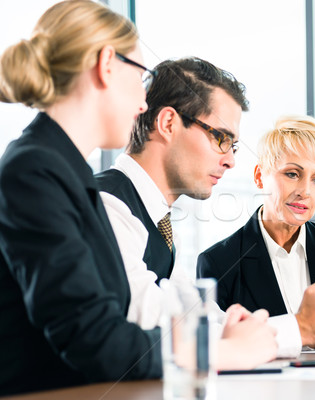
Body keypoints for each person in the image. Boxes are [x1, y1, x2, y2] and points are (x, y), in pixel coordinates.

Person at [96, 58, 315, 359]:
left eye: (233, 145)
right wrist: (302, 328)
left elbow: (203, 321)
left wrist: (313, 330)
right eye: (220, 138)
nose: (230, 160)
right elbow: (155, 323)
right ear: (168, 124)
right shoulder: (109, 206)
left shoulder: (156, 222)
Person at [0, 1, 161, 395]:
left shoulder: (66, 171)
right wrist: (209, 349)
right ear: (107, 64)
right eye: (142, 78)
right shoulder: (33, 170)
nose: (144, 104)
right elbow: (98, 342)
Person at [198, 115, 315, 348]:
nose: (305, 191)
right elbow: (217, 348)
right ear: (259, 176)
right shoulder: (218, 262)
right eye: (292, 174)